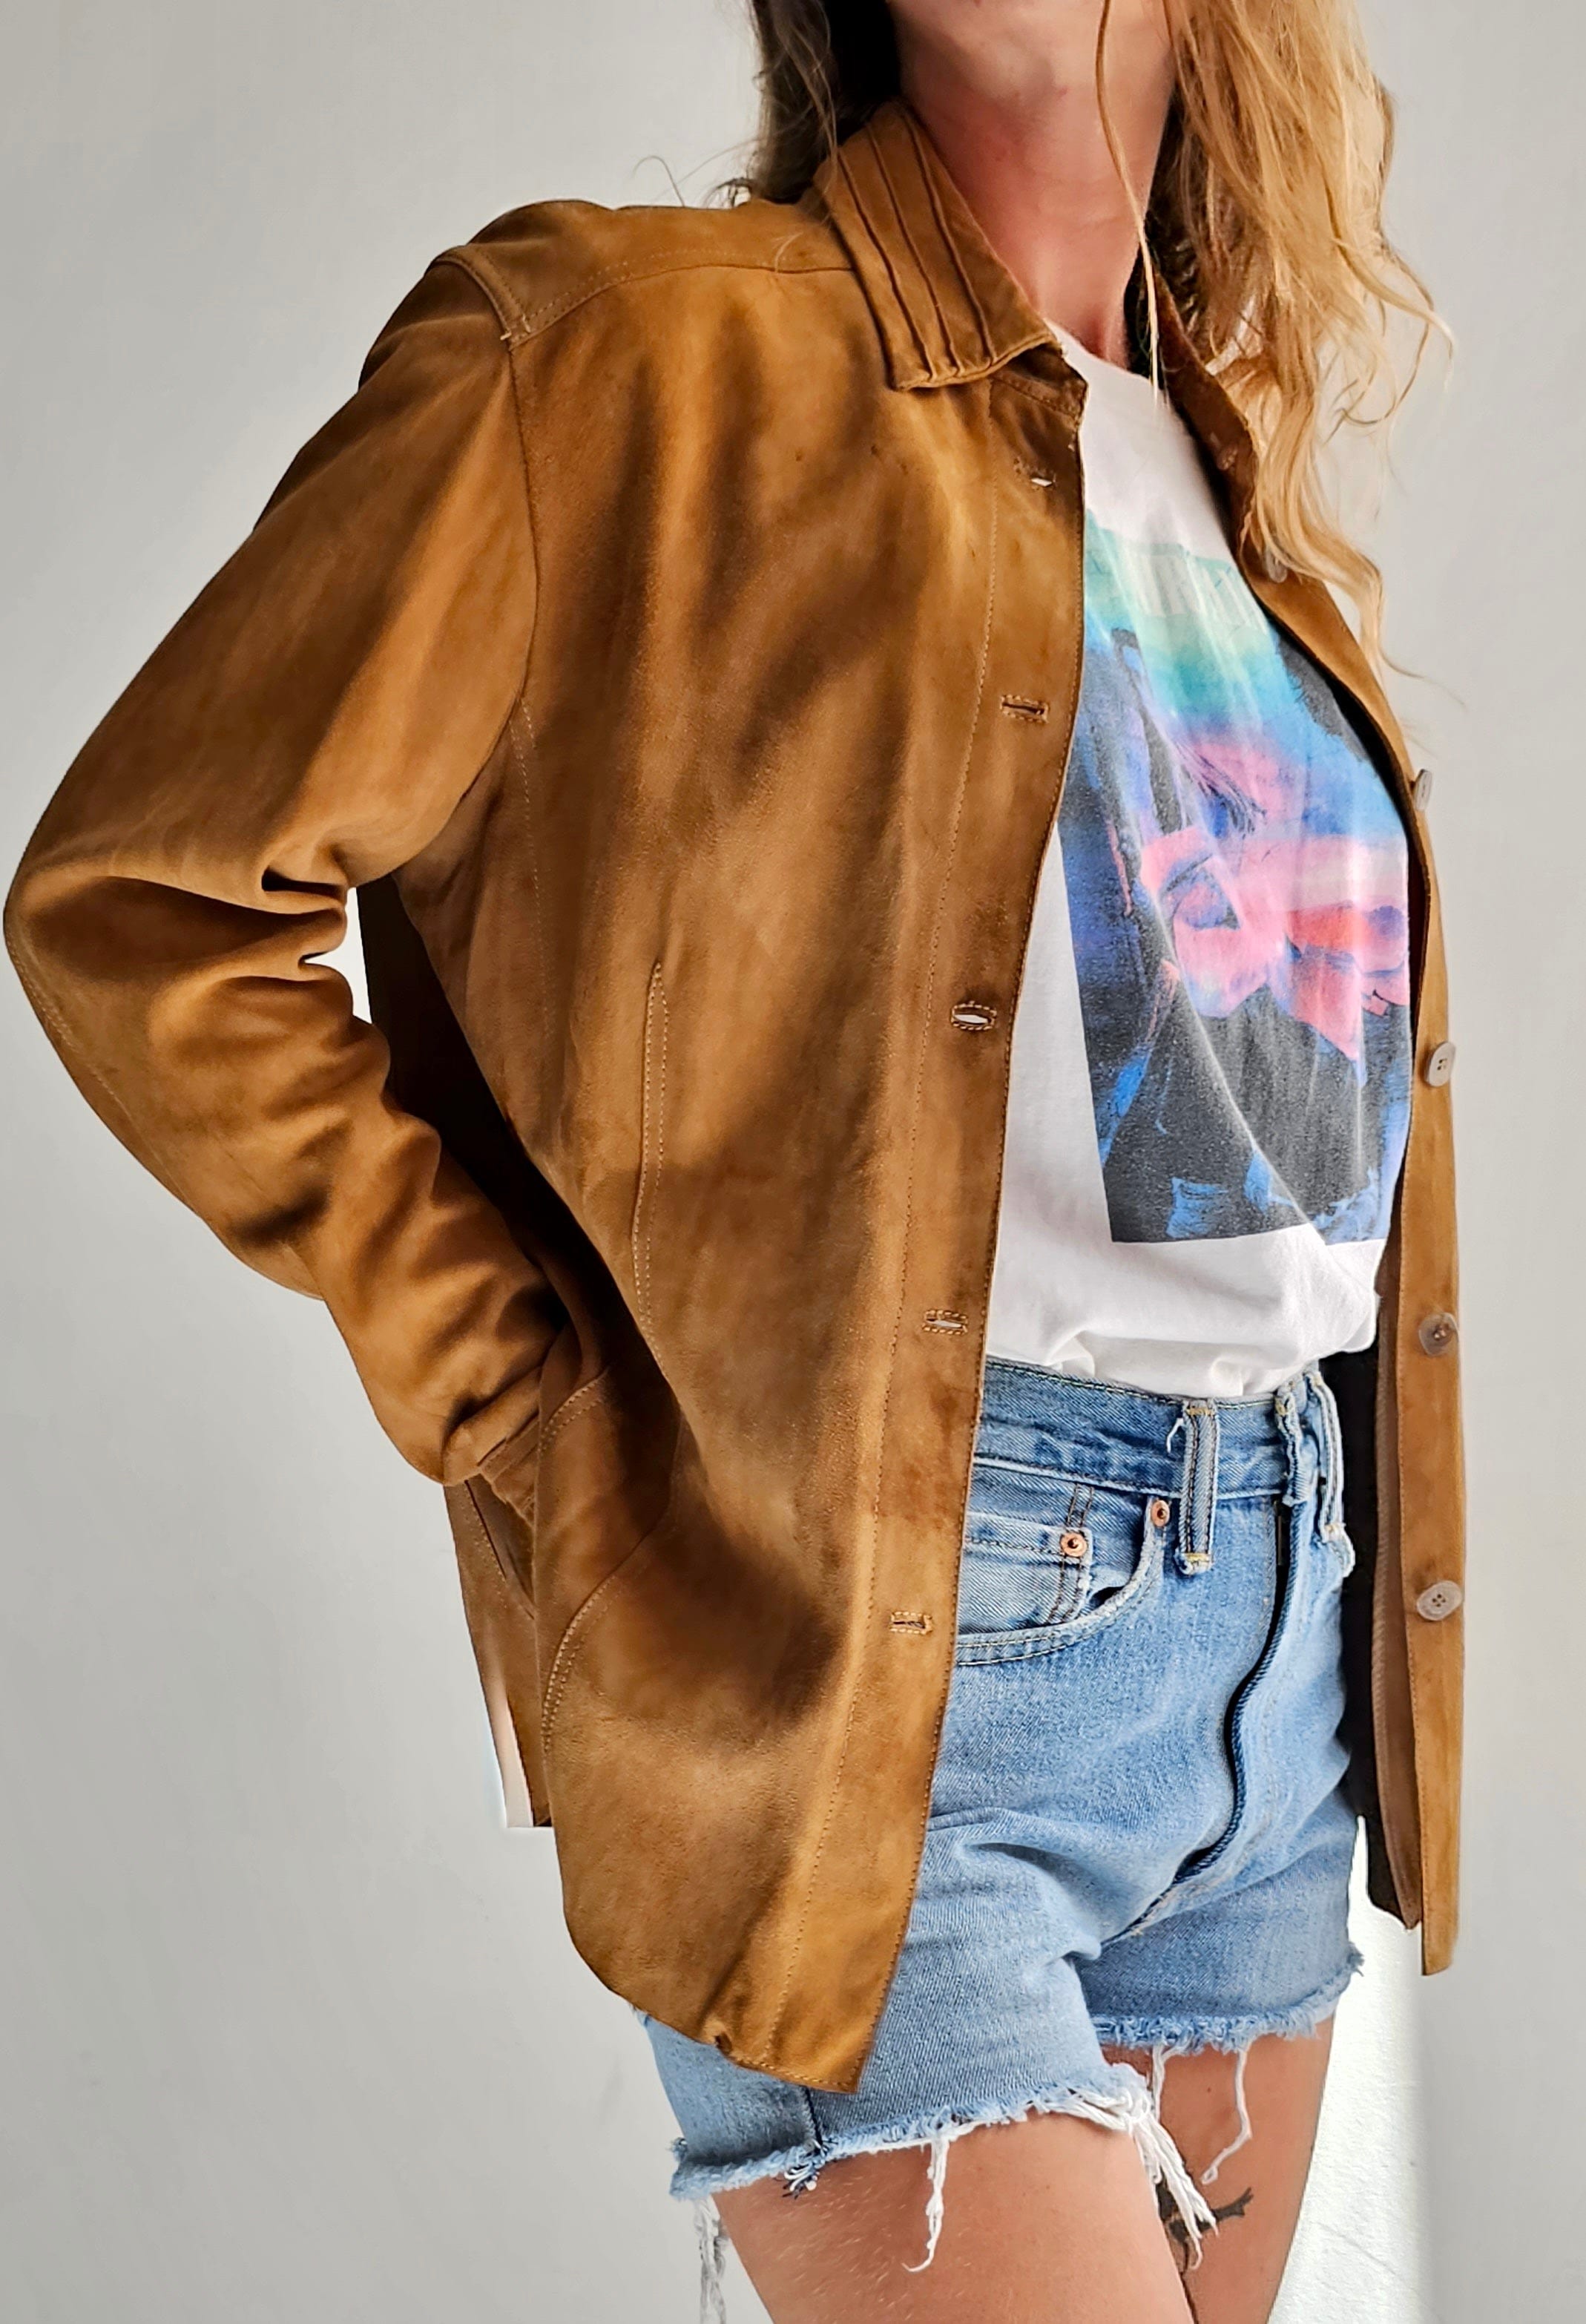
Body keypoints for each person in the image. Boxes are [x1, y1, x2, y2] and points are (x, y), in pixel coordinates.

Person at [5, 1, 1464, 2317]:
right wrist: (518, 1389)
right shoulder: (617, 353)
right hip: (884, 1655)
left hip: (1274, 1659)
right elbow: (144, 898)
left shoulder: (1236, 488)